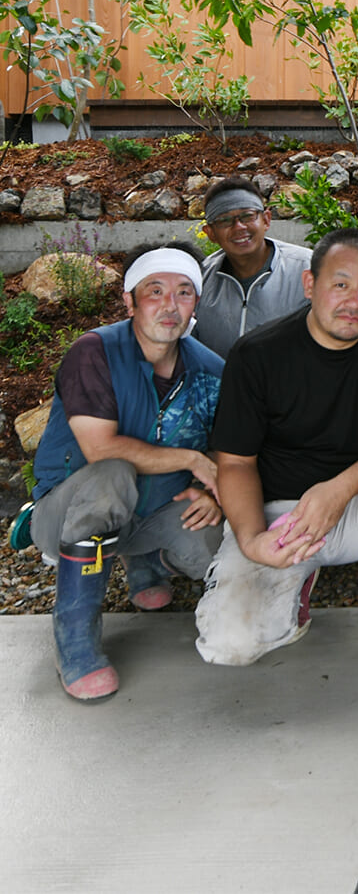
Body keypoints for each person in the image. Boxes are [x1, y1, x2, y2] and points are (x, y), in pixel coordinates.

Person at [195, 228, 358, 671]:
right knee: (230, 646)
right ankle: (295, 582)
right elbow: (236, 462)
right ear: (309, 285)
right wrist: (252, 540)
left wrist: (339, 490)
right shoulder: (257, 355)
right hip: (283, 518)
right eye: (340, 284)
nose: (354, 301)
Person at [27, 244, 224, 702]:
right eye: (154, 291)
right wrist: (192, 461)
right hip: (70, 512)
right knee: (112, 475)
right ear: (130, 300)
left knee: (211, 543)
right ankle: (75, 636)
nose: (170, 305)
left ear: (196, 303)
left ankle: (147, 561)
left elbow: (228, 449)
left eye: (183, 292)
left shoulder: (212, 370)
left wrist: (212, 493)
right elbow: (100, 448)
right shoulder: (93, 352)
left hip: (153, 513)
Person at [193, 176, 311, 359]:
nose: (238, 227)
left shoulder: (308, 269)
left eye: (247, 216)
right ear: (210, 233)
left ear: (266, 219)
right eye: (224, 220)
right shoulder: (200, 279)